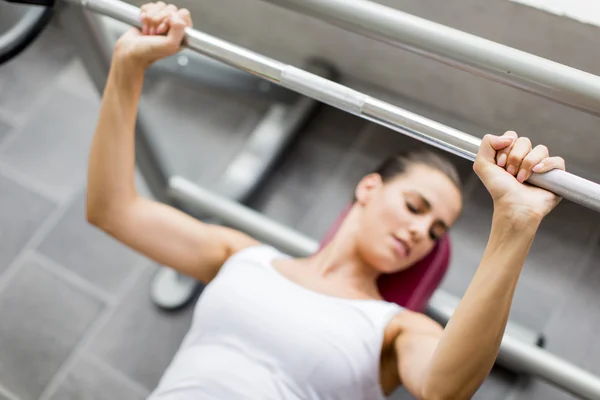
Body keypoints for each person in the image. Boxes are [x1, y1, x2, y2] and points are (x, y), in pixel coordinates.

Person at [85, 2, 566, 399]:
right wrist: (128, 64)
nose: (422, 232)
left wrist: (514, 223)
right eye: (416, 207)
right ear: (369, 188)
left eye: (437, 231)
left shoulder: (395, 329)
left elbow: (447, 387)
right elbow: (112, 209)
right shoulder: (242, 256)